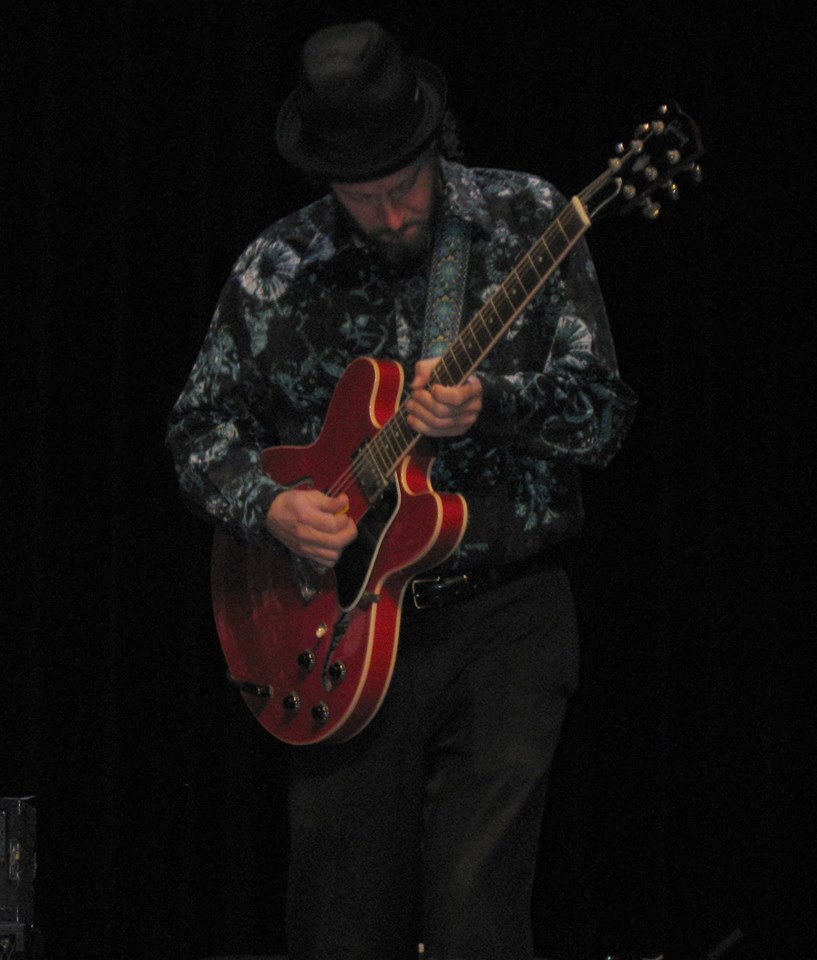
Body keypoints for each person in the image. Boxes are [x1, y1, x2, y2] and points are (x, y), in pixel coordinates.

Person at [166, 20, 637, 960]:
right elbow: (197, 430)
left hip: (503, 615)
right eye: (361, 197)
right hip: (338, 634)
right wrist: (269, 507)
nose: (387, 216)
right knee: (339, 923)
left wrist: (491, 404)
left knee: (474, 911)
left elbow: (603, 420)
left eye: (403, 188)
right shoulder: (276, 269)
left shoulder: (526, 219)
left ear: (435, 142)